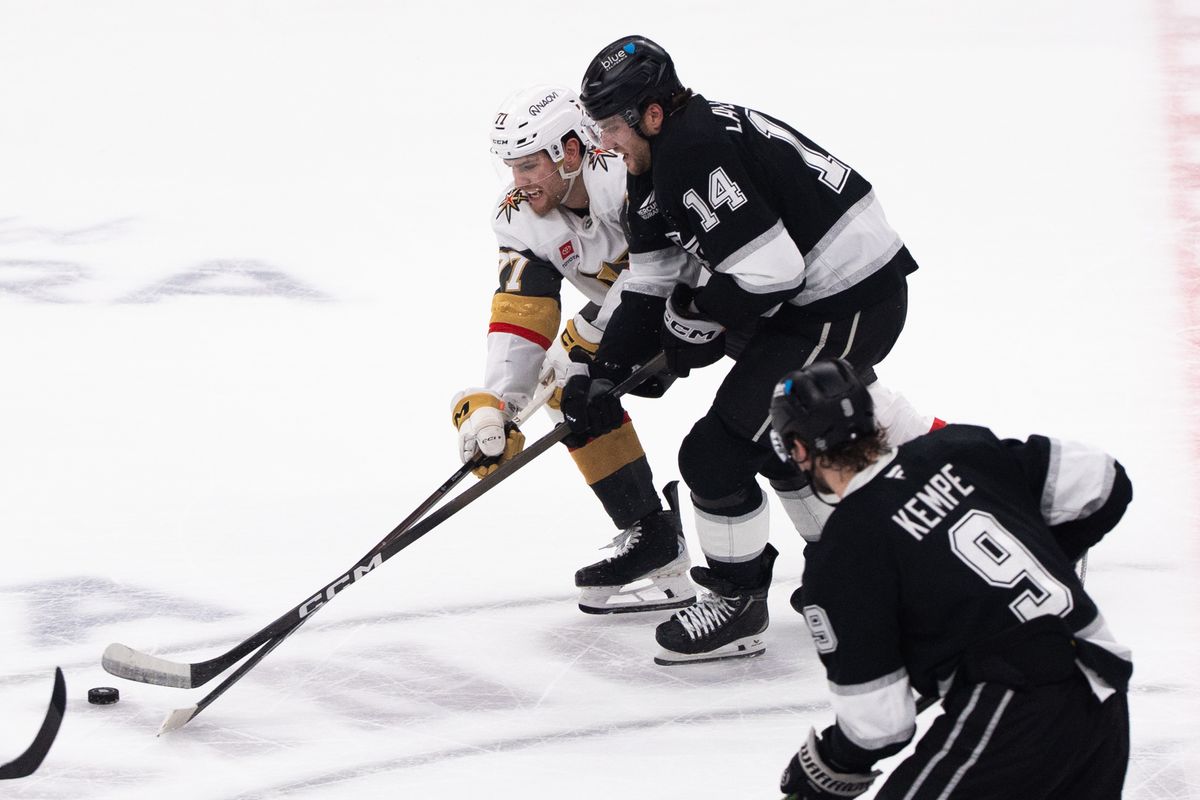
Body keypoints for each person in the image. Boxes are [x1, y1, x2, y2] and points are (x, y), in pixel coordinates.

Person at [565, 36, 941, 665]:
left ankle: (739, 603)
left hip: (848, 300)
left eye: (610, 125)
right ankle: (846, 569)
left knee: (715, 455)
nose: (604, 142)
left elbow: (771, 273)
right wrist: (604, 373)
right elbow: (653, 281)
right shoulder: (658, 161)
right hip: (817, 300)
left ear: (651, 114)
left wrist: (693, 325)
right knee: (779, 435)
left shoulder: (693, 152)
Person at [768, 359, 1133, 800]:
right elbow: (1103, 481)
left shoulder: (844, 553)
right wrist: (1041, 554)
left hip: (1015, 706)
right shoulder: (960, 448)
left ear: (799, 449)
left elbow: (880, 726)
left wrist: (830, 763)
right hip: (1102, 682)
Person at [451, 84, 695, 614]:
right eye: (510, 167)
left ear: (570, 150)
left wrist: (592, 352)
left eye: (529, 165)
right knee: (563, 383)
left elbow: (657, 274)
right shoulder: (517, 215)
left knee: (798, 409)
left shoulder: (623, 176)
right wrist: (501, 405)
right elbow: (522, 309)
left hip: (710, 298)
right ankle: (651, 536)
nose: (517, 183)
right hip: (636, 309)